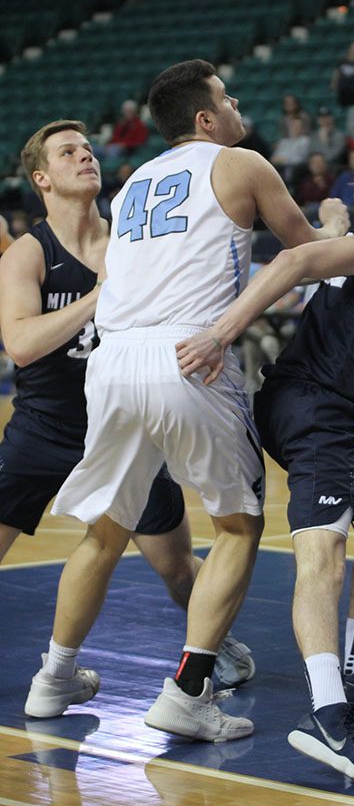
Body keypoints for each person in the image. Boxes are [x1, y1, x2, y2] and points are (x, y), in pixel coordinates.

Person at [23, 60, 349, 738]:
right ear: (205, 119)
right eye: (226, 98)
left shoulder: (133, 182)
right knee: (238, 525)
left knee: (104, 531)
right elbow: (308, 253)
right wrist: (336, 219)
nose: (236, 106)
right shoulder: (241, 163)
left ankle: (53, 678)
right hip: (188, 355)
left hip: (111, 359)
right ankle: (189, 694)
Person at [174, 125, 354, 787]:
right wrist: (220, 334)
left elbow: (328, 224)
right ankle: (329, 716)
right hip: (313, 410)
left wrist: (328, 217)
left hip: (303, 404)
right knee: (323, 554)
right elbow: (293, 263)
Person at [0, 119, 254, 689]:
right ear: (41, 177)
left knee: (176, 568)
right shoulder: (26, 253)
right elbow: (20, 345)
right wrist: (98, 296)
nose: (85, 157)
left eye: (89, 149)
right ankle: (60, 673)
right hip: (45, 429)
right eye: (68, 153)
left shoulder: (133, 237)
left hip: (122, 425)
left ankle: (212, 645)